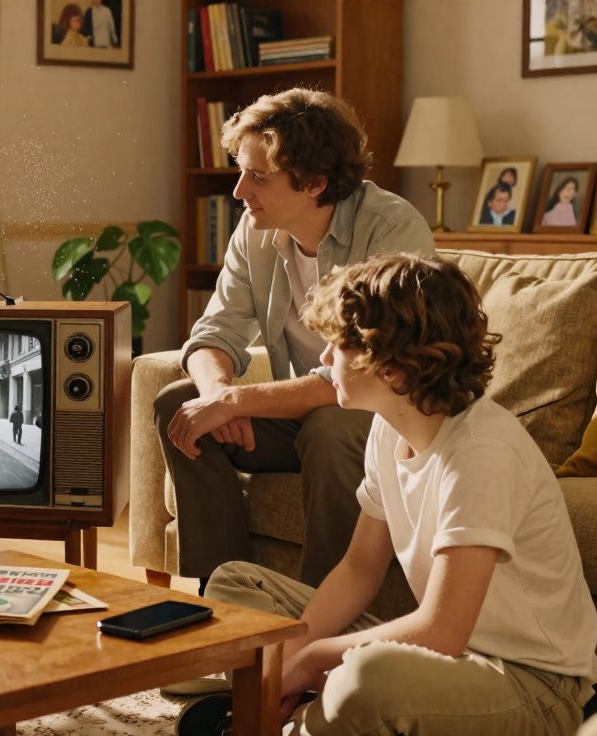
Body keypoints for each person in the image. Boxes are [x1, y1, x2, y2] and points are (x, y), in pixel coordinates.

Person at [178, 254, 597, 735]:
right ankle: (293, 703)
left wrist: (313, 656)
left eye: (337, 346)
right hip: (444, 659)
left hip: (530, 685)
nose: (323, 359)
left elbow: (441, 631)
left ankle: (288, 714)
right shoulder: (387, 428)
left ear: (393, 369)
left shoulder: (482, 453)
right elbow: (359, 570)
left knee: (365, 678)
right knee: (238, 583)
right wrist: (297, 656)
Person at [153, 88, 435, 592]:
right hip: (304, 408)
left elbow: (372, 370)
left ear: (314, 182)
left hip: (381, 416)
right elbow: (215, 332)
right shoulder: (255, 228)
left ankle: (314, 614)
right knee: (180, 403)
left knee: (329, 429)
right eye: (241, 171)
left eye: (258, 177)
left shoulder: (390, 228)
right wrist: (218, 397)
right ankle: (225, 597)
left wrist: (239, 399)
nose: (239, 191)